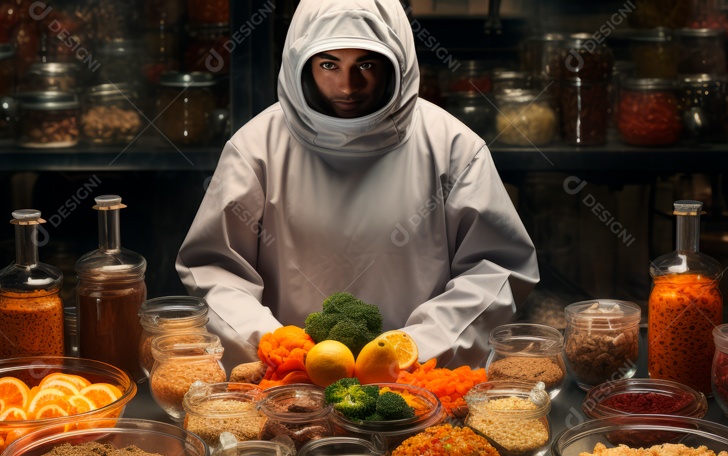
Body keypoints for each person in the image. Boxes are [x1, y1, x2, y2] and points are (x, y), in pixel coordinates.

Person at [176, 0, 539, 372]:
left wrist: (419, 347)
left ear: (397, 62)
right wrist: (281, 350)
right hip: (290, 388)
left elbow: (496, 268)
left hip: (419, 382)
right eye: (329, 64)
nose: (348, 86)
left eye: (366, 64)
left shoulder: (453, 147)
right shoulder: (255, 148)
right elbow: (215, 270)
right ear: (301, 63)